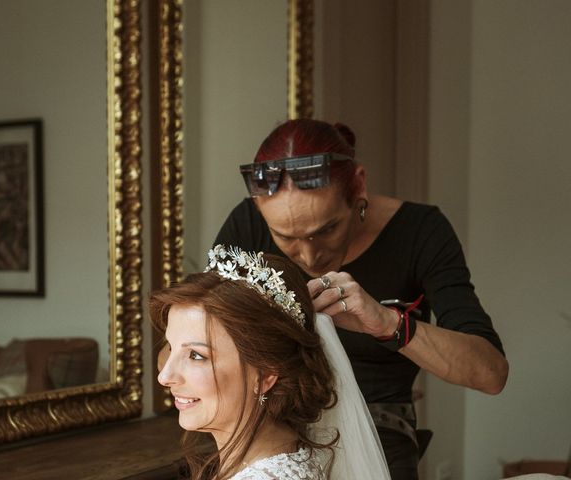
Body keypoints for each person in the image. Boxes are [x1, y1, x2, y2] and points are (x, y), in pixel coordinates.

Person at [214, 118, 509, 479]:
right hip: (270, 425)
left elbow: (490, 374)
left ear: (359, 188)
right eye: (284, 236)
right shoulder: (245, 226)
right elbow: (183, 344)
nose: (309, 257)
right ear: (259, 210)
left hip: (381, 425)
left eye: (328, 228)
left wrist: (386, 323)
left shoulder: (420, 232)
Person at [150, 245, 391, 479]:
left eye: (196, 355)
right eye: (170, 347)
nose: (165, 376)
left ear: (266, 374)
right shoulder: (284, 453)